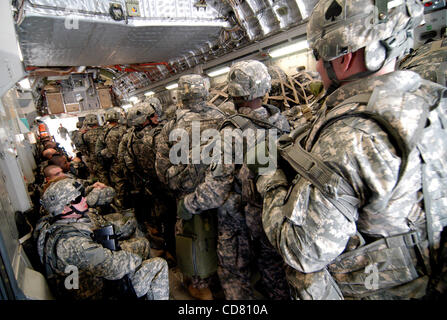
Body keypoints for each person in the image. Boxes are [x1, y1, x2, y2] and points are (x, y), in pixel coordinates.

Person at [257, 0, 447, 300]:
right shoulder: (431, 101)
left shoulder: (350, 136)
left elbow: (302, 251)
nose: (317, 66)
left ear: (344, 58)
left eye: (318, 56)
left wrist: (270, 179)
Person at [176, 61, 291, 300]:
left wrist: (189, 204)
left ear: (233, 91)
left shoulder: (231, 132)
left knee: (233, 274)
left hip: (239, 220)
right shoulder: (281, 122)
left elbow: (217, 189)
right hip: (275, 215)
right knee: (276, 276)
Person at [36, 178, 170, 300]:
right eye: (77, 199)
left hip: (92, 281)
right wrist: (135, 261)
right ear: (64, 209)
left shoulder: (58, 224)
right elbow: (115, 267)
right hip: (101, 292)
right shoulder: (71, 244)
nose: (83, 199)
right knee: (158, 265)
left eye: (82, 195)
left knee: (142, 244)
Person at [155, 74, 226, 300]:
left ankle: (199, 283)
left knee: (193, 238)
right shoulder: (223, 119)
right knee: (224, 236)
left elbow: (163, 171)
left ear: (181, 95)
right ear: (205, 91)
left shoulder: (171, 126)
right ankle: (223, 280)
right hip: (221, 192)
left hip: (188, 197)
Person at [117, 101, 176, 262]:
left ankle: (167, 248)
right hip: (167, 185)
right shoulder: (159, 135)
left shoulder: (129, 139)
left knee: (163, 219)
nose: (156, 116)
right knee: (174, 220)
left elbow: (126, 163)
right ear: (144, 120)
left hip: (150, 186)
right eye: (152, 115)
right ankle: (176, 253)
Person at [95, 107, 128, 207]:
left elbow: (98, 152)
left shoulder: (104, 133)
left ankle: (121, 206)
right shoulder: (125, 129)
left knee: (119, 186)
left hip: (115, 164)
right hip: (127, 162)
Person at [81, 114, 109, 184]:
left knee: (102, 175)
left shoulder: (85, 135)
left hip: (95, 158)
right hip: (106, 155)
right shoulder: (105, 130)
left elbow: (83, 148)